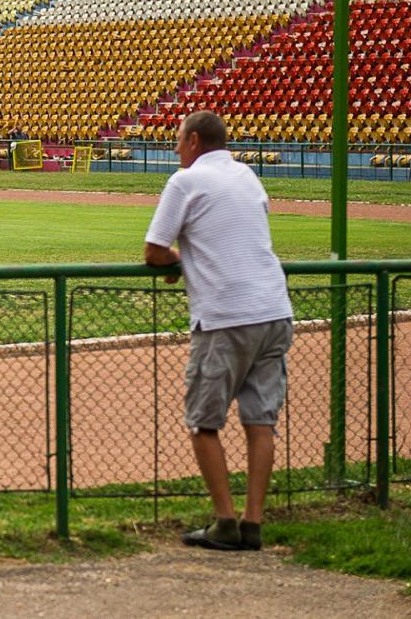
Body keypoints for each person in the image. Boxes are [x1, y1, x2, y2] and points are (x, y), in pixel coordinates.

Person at [143, 110, 293, 552]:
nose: (174, 149)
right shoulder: (248, 175)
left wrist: (174, 262)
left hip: (225, 315)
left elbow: (154, 250)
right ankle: (253, 523)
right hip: (273, 308)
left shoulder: (184, 181)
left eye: (177, 140)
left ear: (192, 140)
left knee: (203, 423)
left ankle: (225, 522)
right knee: (261, 421)